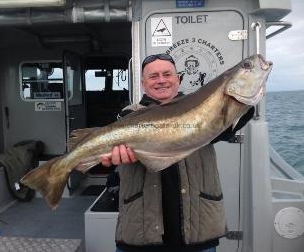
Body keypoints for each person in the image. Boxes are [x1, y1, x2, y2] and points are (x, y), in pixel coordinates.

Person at [102, 54, 254, 252]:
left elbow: (231, 123)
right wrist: (112, 161)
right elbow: (102, 163)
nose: (162, 80)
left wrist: (246, 97)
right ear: (143, 83)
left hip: (197, 234)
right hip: (140, 235)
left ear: (179, 78)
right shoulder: (128, 116)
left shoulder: (205, 112)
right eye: (153, 76)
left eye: (167, 74)